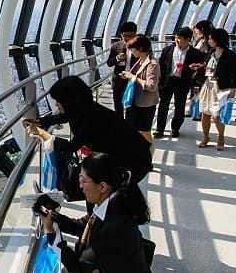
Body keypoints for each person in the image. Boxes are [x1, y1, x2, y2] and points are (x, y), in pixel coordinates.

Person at [22, 76, 152, 203]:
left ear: (69, 102)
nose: (56, 104)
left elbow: (68, 148)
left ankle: (102, 218)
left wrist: (39, 132)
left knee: (106, 194)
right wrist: (41, 122)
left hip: (133, 163)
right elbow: (65, 116)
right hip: (131, 154)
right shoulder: (85, 108)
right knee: (99, 189)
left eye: (59, 100)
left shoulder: (92, 120)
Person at [154, 27, 206, 138]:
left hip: (183, 81)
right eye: (176, 38)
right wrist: (159, 81)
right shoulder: (168, 50)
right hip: (168, 81)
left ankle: (175, 128)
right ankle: (160, 129)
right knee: (163, 105)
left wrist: (195, 74)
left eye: (180, 38)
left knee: (180, 105)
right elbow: (161, 65)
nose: (177, 40)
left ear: (188, 39)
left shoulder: (195, 53)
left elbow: (202, 67)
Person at [192, 28, 236, 150]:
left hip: (221, 87)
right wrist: (199, 67)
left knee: (217, 115)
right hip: (208, 85)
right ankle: (206, 136)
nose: (209, 40)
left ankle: (221, 136)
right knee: (205, 113)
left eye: (211, 38)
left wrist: (233, 89)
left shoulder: (230, 55)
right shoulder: (211, 52)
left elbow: (235, 73)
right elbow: (206, 66)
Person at [119, 35, 160, 152]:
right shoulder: (140, 61)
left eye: (133, 49)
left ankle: (149, 156)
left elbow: (151, 86)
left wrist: (133, 77)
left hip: (145, 104)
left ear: (140, 48)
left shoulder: (152, 64)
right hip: (135, 103)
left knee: (145, 132)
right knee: (134, 130)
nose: (131, 52)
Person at [106, 21, 138, 118]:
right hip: (119, 80)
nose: (128, 38)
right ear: (121, 35)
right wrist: (117, 58)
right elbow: (109, 63)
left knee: (131, 105)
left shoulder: (140, 46)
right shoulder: (116, 46)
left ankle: (129, 124)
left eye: (130, 35)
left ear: (135, 34)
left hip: (133, 79)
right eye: (125, 35)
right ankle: (120, 125)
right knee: (118, 104)